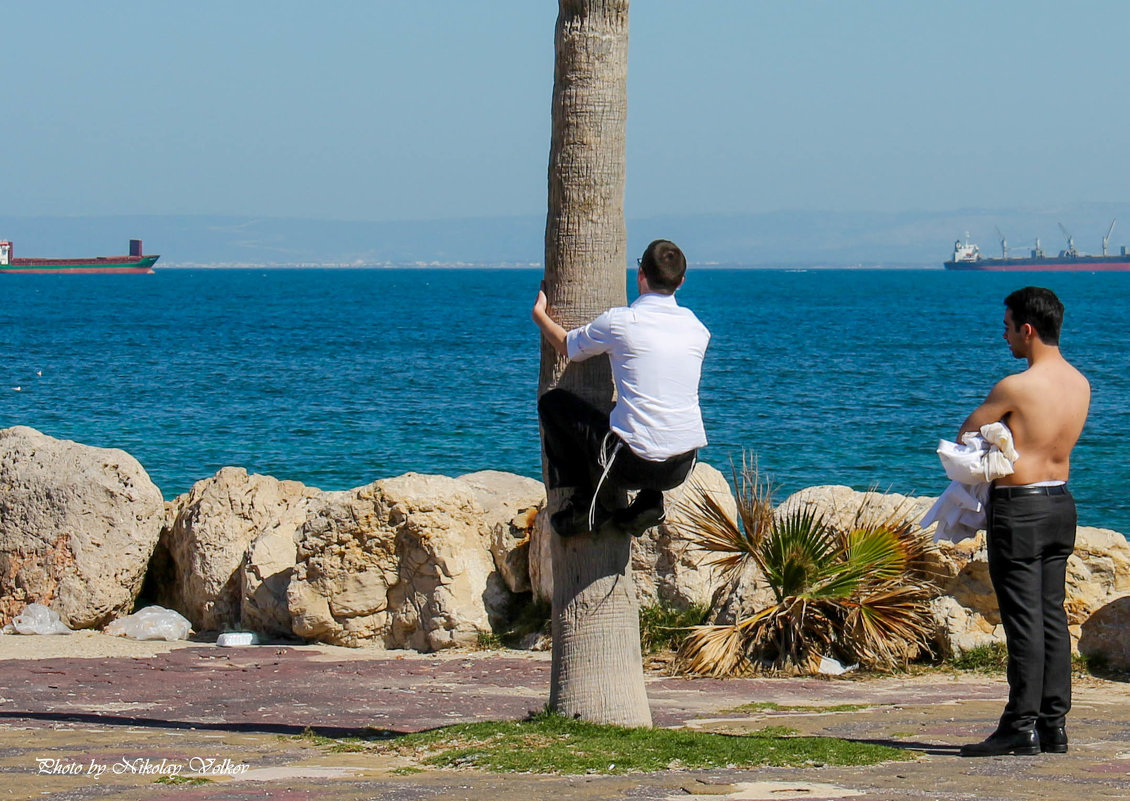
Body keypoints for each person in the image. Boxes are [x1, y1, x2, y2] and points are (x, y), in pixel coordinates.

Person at [957, 286, 1090, 758]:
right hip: (1061, 503)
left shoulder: (1016, 386)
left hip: (1020, 506)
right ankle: (1054, 725)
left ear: (1027, 329)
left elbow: (965, 437)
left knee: (1024, 619)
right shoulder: (1081, 383)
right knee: (1052, 614)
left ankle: (1019, 723)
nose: (1005, 334)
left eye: (1008, 326)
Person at [531, 239, 710, 538]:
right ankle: (650, 502)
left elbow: (567, 346)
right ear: (681, 281)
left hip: (631, 467)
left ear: (640, 274)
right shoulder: (698, 329)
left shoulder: (622, 322)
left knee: (553, 404)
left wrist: (540, 316)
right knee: (654, 412)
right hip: (683, 465)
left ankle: (584, 505)